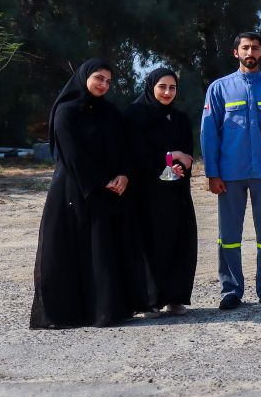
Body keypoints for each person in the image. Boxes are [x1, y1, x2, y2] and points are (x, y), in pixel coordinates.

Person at [31, 60, 139, 328]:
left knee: (102, 250)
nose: (104, 85)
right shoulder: (66, 112)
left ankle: (104, 311)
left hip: (109, 191)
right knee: (69, 251)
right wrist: (103, 181)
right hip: (74, 190)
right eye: (99, 78)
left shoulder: (111, 112)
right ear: (84, 77)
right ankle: (66, 314)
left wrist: (124, 174)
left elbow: (127, 147)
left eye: (108, 81)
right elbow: (72, 154)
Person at [201, 32, 261, 310]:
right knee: (229, 235)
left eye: (255, 48)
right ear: (236, 52)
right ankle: (231, 290)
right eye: (245, 47)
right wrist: (212, 173)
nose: (250, 52)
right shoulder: (219, 89)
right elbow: (209, 134)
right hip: (230, 174)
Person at [124, 67, 197, 316]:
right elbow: (135, 154)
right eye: (162, 87)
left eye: (172, 87)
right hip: (145, 194)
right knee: (149, 244)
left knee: (178, 242)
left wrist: (179, 165)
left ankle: (175, 297)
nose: (167, 92)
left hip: (175, 192)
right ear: (151, 87)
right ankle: (149, 300)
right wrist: (170, 156)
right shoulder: (135, 115)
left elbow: (187, 153)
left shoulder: (179, 118)